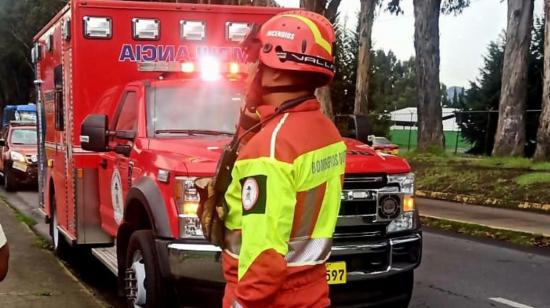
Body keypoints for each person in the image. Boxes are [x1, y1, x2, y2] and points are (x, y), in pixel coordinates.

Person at [221, 10, 346, 308]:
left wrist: (242, 304)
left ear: (276, 71)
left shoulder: (272, 147)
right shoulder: (327, 132)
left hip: (269, 299)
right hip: (312, 293)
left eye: (258, 64)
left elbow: (264, 256)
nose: (252, 71)